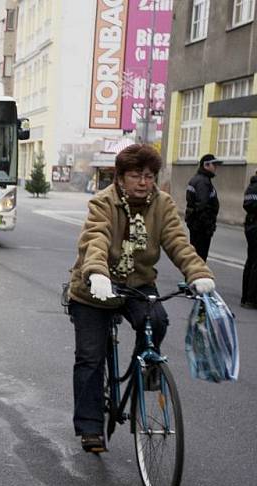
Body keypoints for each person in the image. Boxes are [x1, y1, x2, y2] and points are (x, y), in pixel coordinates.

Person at [66, 144, 215, 453]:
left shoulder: (162, 204)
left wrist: (198, 273)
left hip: (137, 284)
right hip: (96, 286)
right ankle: (91, 427)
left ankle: (146, 366)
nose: (144, 182)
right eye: (136, 175)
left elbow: (177, 241)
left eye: (149, 176)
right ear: (120, 178)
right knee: (91, 358)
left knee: (157, 319)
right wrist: (96, 273)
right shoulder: (103, 202)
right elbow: (96, 237)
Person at [185, 154, 222, 261]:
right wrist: (207, 226)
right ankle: (195, 277)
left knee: (195, 256)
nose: (216, 167)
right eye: (214, 165)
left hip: (197, 225)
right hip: (201, 228)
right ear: (206, 165)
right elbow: (202, 205)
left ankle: (192, 277)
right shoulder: (203, 182)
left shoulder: (199, 179)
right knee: (199, 258)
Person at [242, 171, 257, 309]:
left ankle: (246, 297)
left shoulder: (252, 186)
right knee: (254, 263)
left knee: (251, 261)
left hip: (251, 226)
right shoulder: (254, 187)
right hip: (254, 227)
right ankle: (251, 298)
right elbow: (249, 205)